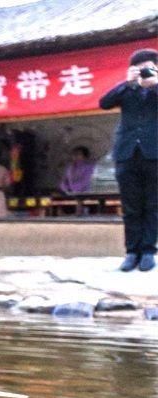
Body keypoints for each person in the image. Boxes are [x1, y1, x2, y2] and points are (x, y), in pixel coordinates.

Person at [100, 48, 158, 272]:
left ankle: (148, 251)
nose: (143, 72)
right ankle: (131, 252)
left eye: (148, 67)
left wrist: (154, 84)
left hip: (154, 154)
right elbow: (104, 103)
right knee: (131, 206)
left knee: (153, 205)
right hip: (126, 155)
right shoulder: (126, 90)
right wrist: (127, 83)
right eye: (138, 67)